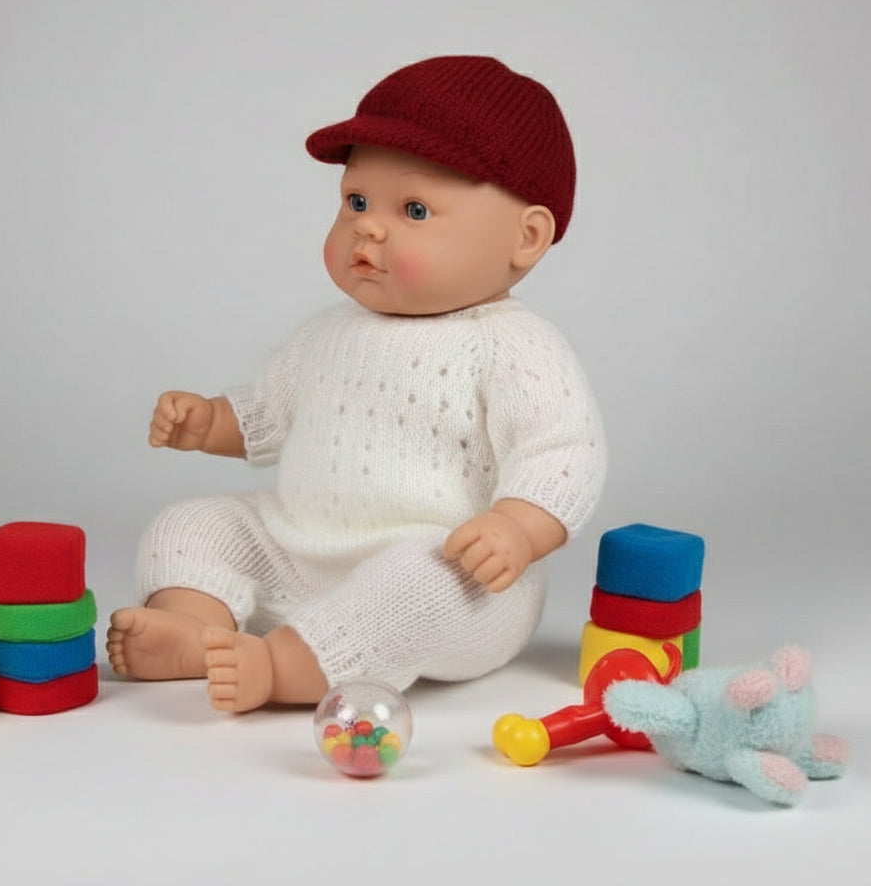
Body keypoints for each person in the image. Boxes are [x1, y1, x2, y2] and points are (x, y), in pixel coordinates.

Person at [106, 55, 607, 713]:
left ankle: (284, 668)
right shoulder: (329, 331)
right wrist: (210, 421)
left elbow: (563, 452)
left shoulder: (513, 344)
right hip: (299, 550)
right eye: (356, 201)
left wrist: (516, 528)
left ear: (527, 237)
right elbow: (272, 413)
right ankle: (196, 626)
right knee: (196, 522)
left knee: (419, 582)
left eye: (415, 209)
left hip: (459, 573)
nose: (368, 227)